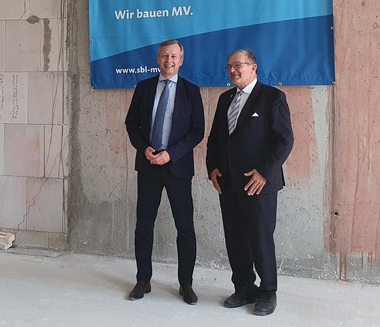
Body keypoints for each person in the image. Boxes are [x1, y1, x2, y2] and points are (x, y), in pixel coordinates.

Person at [206, 49, 294, 316]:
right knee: (235, 238)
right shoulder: (225, 99)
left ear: (253, 67)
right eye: (229, 66)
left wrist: (264, 173)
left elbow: (284, 140)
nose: (233, 70)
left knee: (260, 238)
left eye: (238, 65)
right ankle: (244, 287)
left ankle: (268, 292)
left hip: (258, 184)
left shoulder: (272, 97)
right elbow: (215, 139)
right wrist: (212, 168)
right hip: (228, 183)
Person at [125, 39, 205, 305]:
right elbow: (132, 124)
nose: (168, 61)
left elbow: (197, 131)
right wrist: (144, 148)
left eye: (173, 56)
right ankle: (143, 280)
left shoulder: (192, 91)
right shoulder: (144, 87)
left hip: (178, 168)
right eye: (164, 56)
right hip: (148, 166)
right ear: (157, 59)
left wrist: (171, 153)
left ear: (181, 60)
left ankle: (186, 283)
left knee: (185, 227)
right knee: (144, 225)